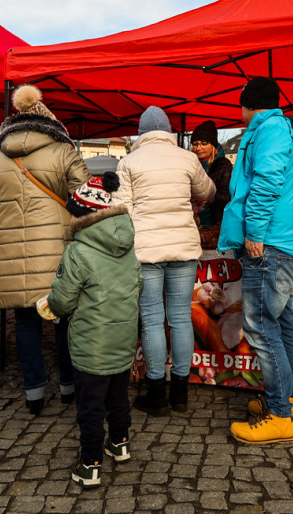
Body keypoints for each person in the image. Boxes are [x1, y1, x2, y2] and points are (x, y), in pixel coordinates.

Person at [218, 77, 293, 444]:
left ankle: (279, 415)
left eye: (241, 107)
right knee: (283, 319)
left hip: (270, 243)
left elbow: (267, 182)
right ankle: (292, 398)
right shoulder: (284, 128)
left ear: (248, 105)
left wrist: (254, 231)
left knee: (259, 325)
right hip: (286, 243)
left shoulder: (269, 129)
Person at [37, 173, 141, 489]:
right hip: (123, 338)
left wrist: (48, 305)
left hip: (91, 345)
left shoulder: (78, 251)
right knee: (118, 397)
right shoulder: (127, 246)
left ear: (83, 215)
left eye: (72, 210)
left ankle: (91, 463)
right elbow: (137, 283)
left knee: (91, 406)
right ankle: (120, 444)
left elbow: (64, 299)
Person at [0, 85, 89, 415]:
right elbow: (85, 197)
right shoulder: (62, 149)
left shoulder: (0, 155)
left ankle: (33, 392)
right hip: (56, 248)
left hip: (13, 248)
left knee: (25, 321)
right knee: (62, 317)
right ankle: (68, 386)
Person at [114, 106, 215, 416]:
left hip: (146, 251)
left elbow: (121, 209)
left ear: (142, 134)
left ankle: (156, 394)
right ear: (169, 132)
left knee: (153, 318)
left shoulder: (128, 161)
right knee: (182, 317)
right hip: (184, 248)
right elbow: (208, 191)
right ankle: (181, 394)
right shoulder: (187, 158)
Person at [190, 120, 233, 228]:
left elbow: (228, 196)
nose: (198, 148)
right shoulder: (189, 163)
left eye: (204, 144)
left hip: (215, 224)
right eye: (195, 144)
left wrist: (209, 198)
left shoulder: (223, 165)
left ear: (213, 145)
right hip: (191, 223)